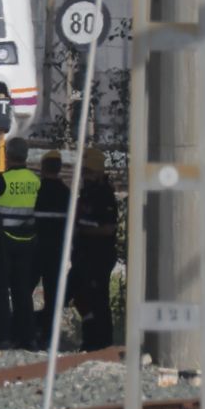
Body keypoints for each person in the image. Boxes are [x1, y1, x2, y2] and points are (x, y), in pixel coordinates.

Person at [0, 137, 40, 350]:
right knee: (22, 290)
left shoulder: (3, 180)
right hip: (27, 241)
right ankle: (26, 336)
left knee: (0, 288)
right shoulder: (35, 180)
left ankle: (2, 335)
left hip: (1, 240)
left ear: (8, 156)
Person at [70, 147, 120, 351]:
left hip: (99, 255)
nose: (85, 175)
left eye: (89, 171)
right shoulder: (88, 192)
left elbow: (108, 229)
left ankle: (101, 341)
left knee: (98, 299)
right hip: (83, 253)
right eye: (84, 171)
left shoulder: (104, 195)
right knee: (81, 296)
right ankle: (90, 338)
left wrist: (82, 231)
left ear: (98, 171)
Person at [33, 150, 70, 343]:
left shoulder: (36, 190)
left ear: (43, 167)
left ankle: (24, 328)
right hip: (56, 250)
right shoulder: (66, 192)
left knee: (24, 288)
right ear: (59, 168)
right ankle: (48, 332)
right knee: (52, 291)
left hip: (35, 247)